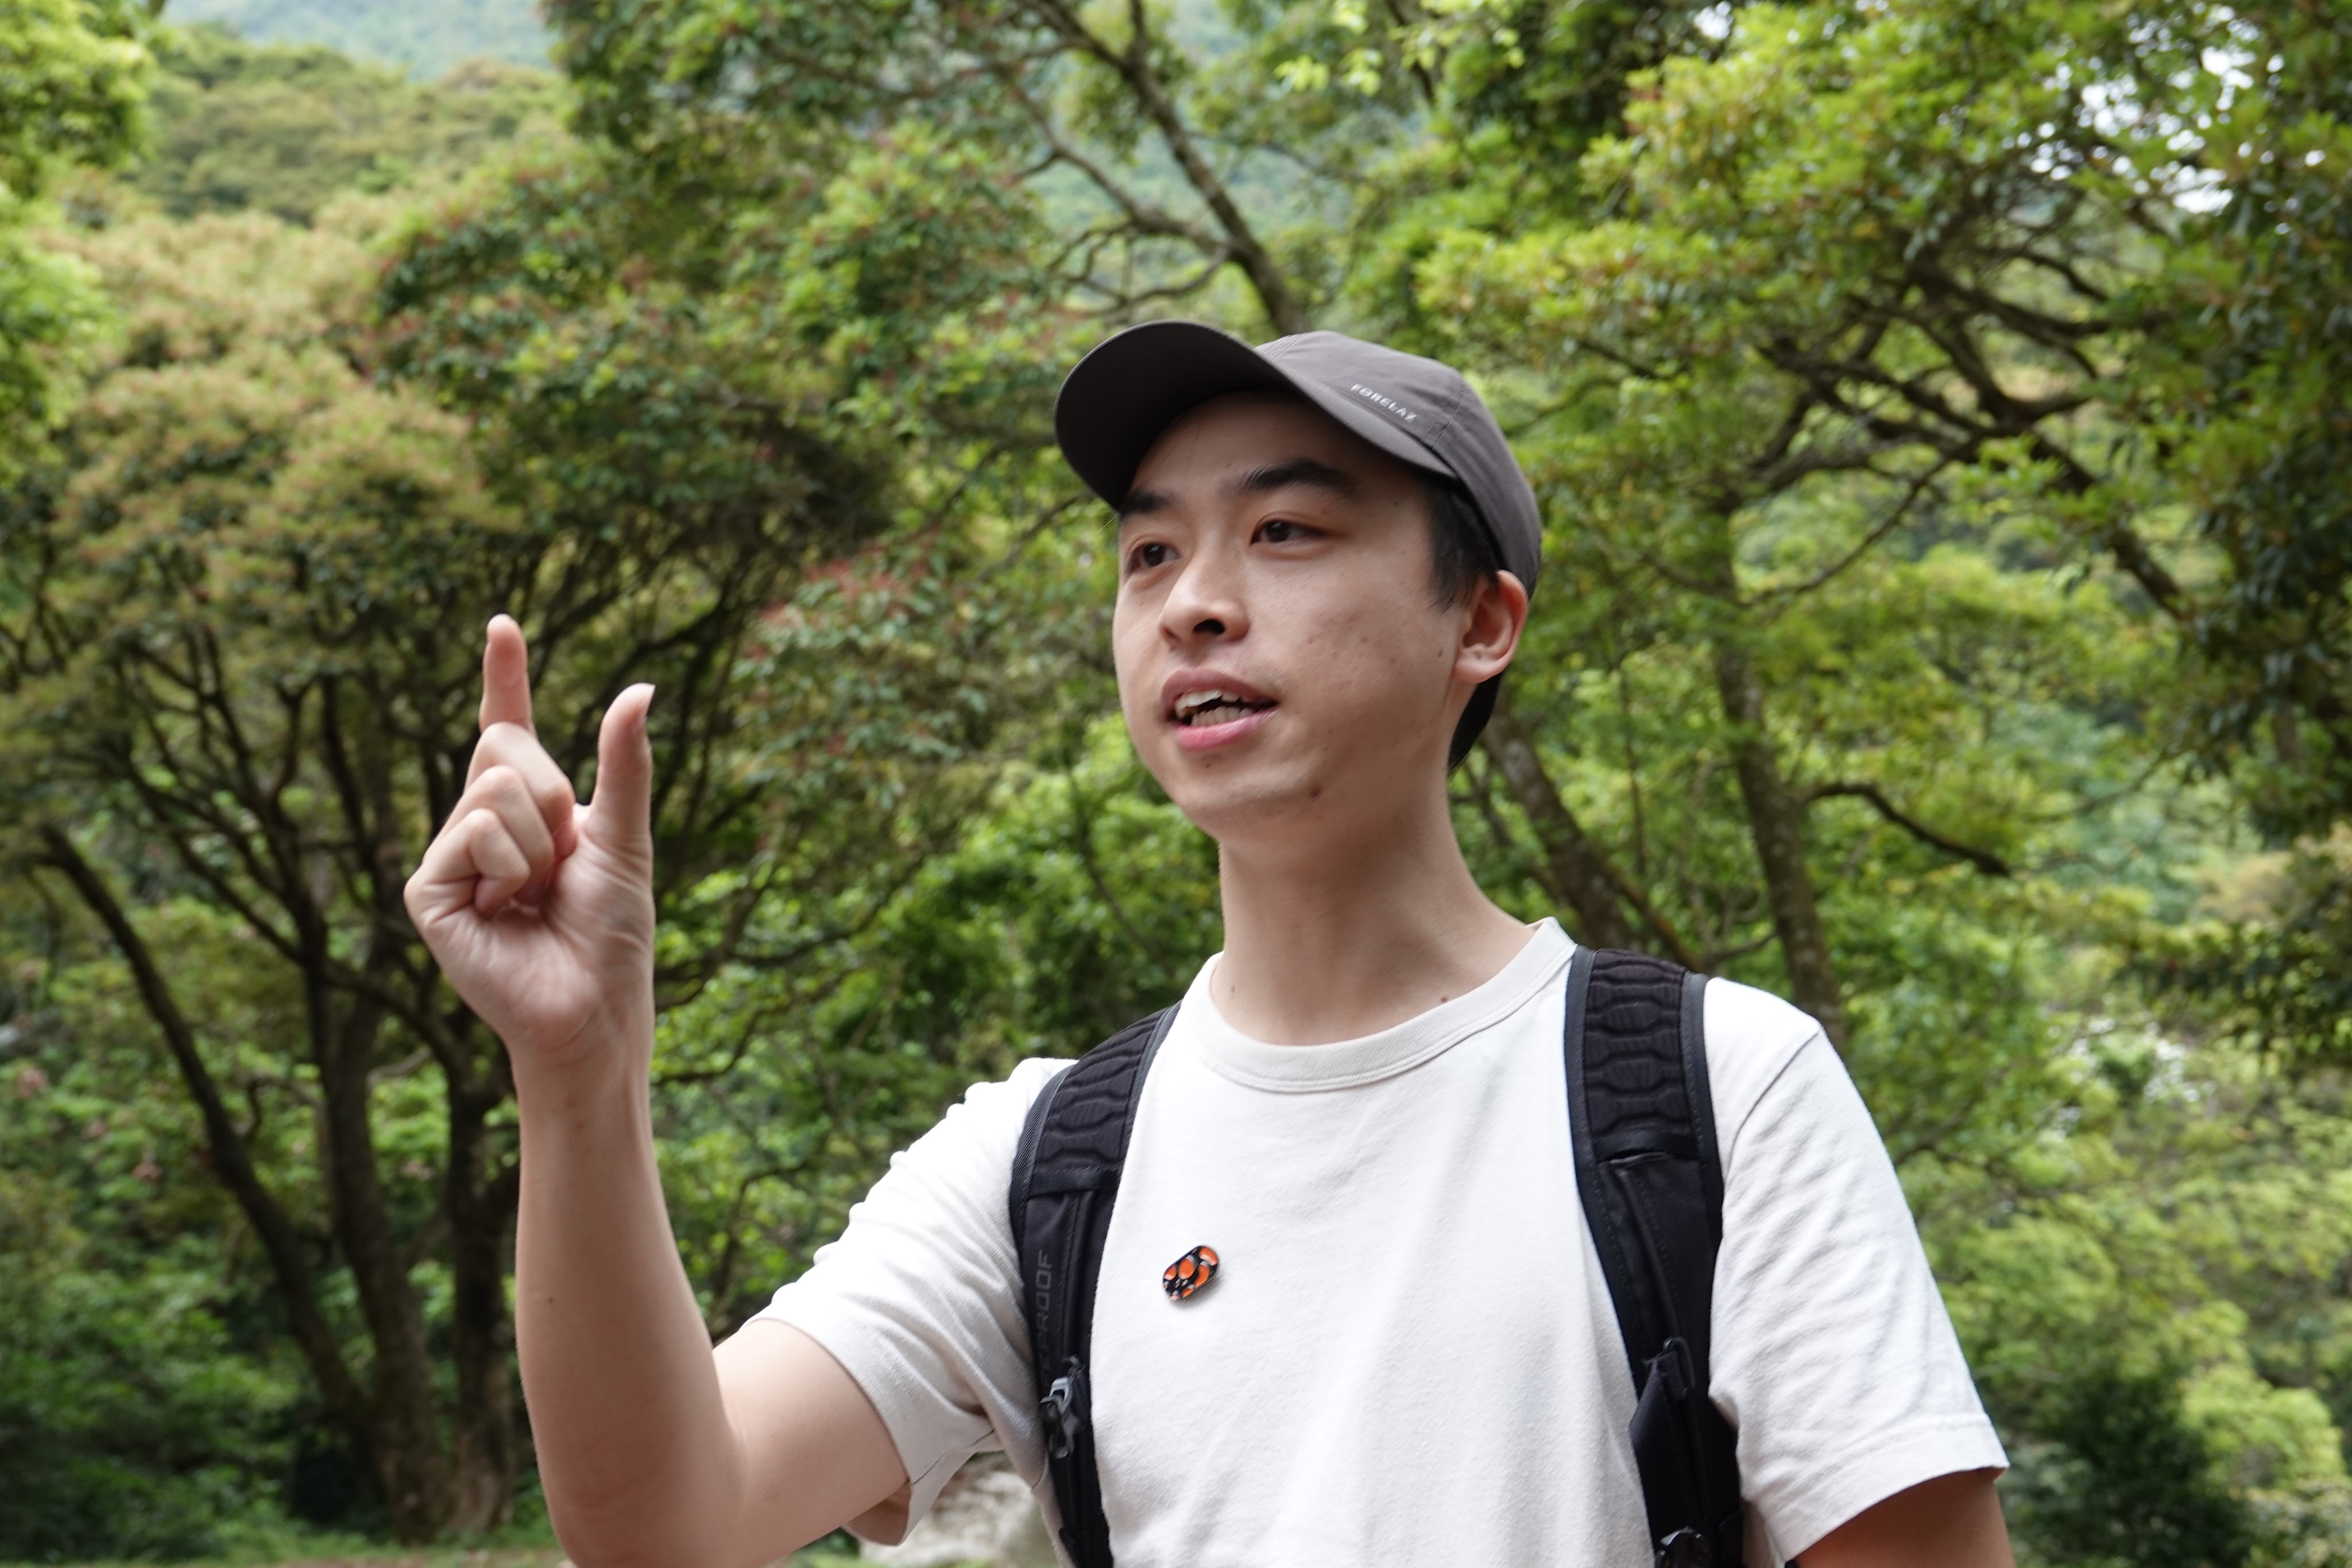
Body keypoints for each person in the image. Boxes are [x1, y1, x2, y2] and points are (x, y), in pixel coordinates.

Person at [405, 322, 2016, 1567]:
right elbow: (665, 1521)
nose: (1193, 603)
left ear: (1481, 620)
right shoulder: (1046, 1165)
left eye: (1288, 531)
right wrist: (579, 1069)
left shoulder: (1713, 1091)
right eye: (1150, 554)